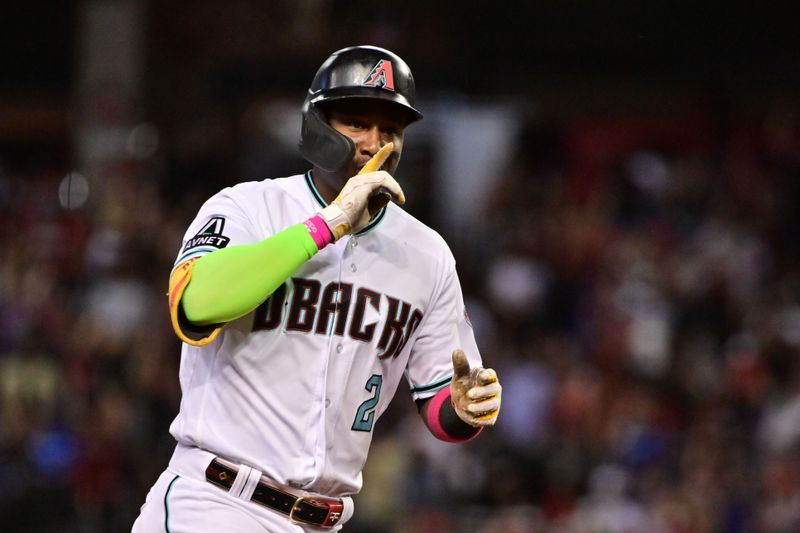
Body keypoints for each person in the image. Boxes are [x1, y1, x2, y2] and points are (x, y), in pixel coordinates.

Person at [132, 45, 502, 532]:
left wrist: (461, 410)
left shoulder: (426, 253)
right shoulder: (248, 207)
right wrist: (326, 226)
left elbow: (438, 405)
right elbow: (194, 304)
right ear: (317, 125)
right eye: (355, 123)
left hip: (323, 521)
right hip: (217, 503)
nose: (375, 143)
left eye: (390, 129)